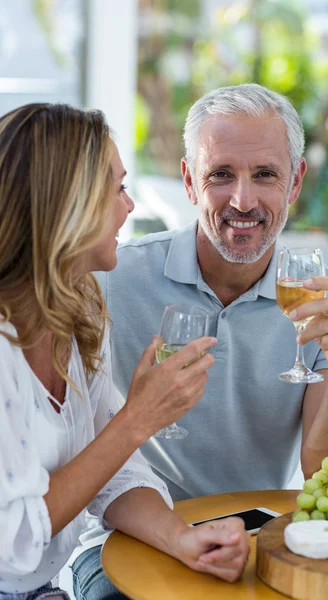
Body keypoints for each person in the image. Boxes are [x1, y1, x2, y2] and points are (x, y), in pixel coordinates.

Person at [77, 82, 328, 597]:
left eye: (265, 175)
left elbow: (326, 473)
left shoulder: (326, 302)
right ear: (189, 181)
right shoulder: (109, 281)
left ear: (295, 182)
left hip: (252, 537)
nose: (243, 200)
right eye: (221, 175)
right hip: (122, 537)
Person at [0, 103, 251, 600]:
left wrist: (183, 539)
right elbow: (16, 544)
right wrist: (138, 418)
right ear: (67, 204)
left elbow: (115, 471)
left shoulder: (79, 315)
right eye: (117, 188)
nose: (130, 205)